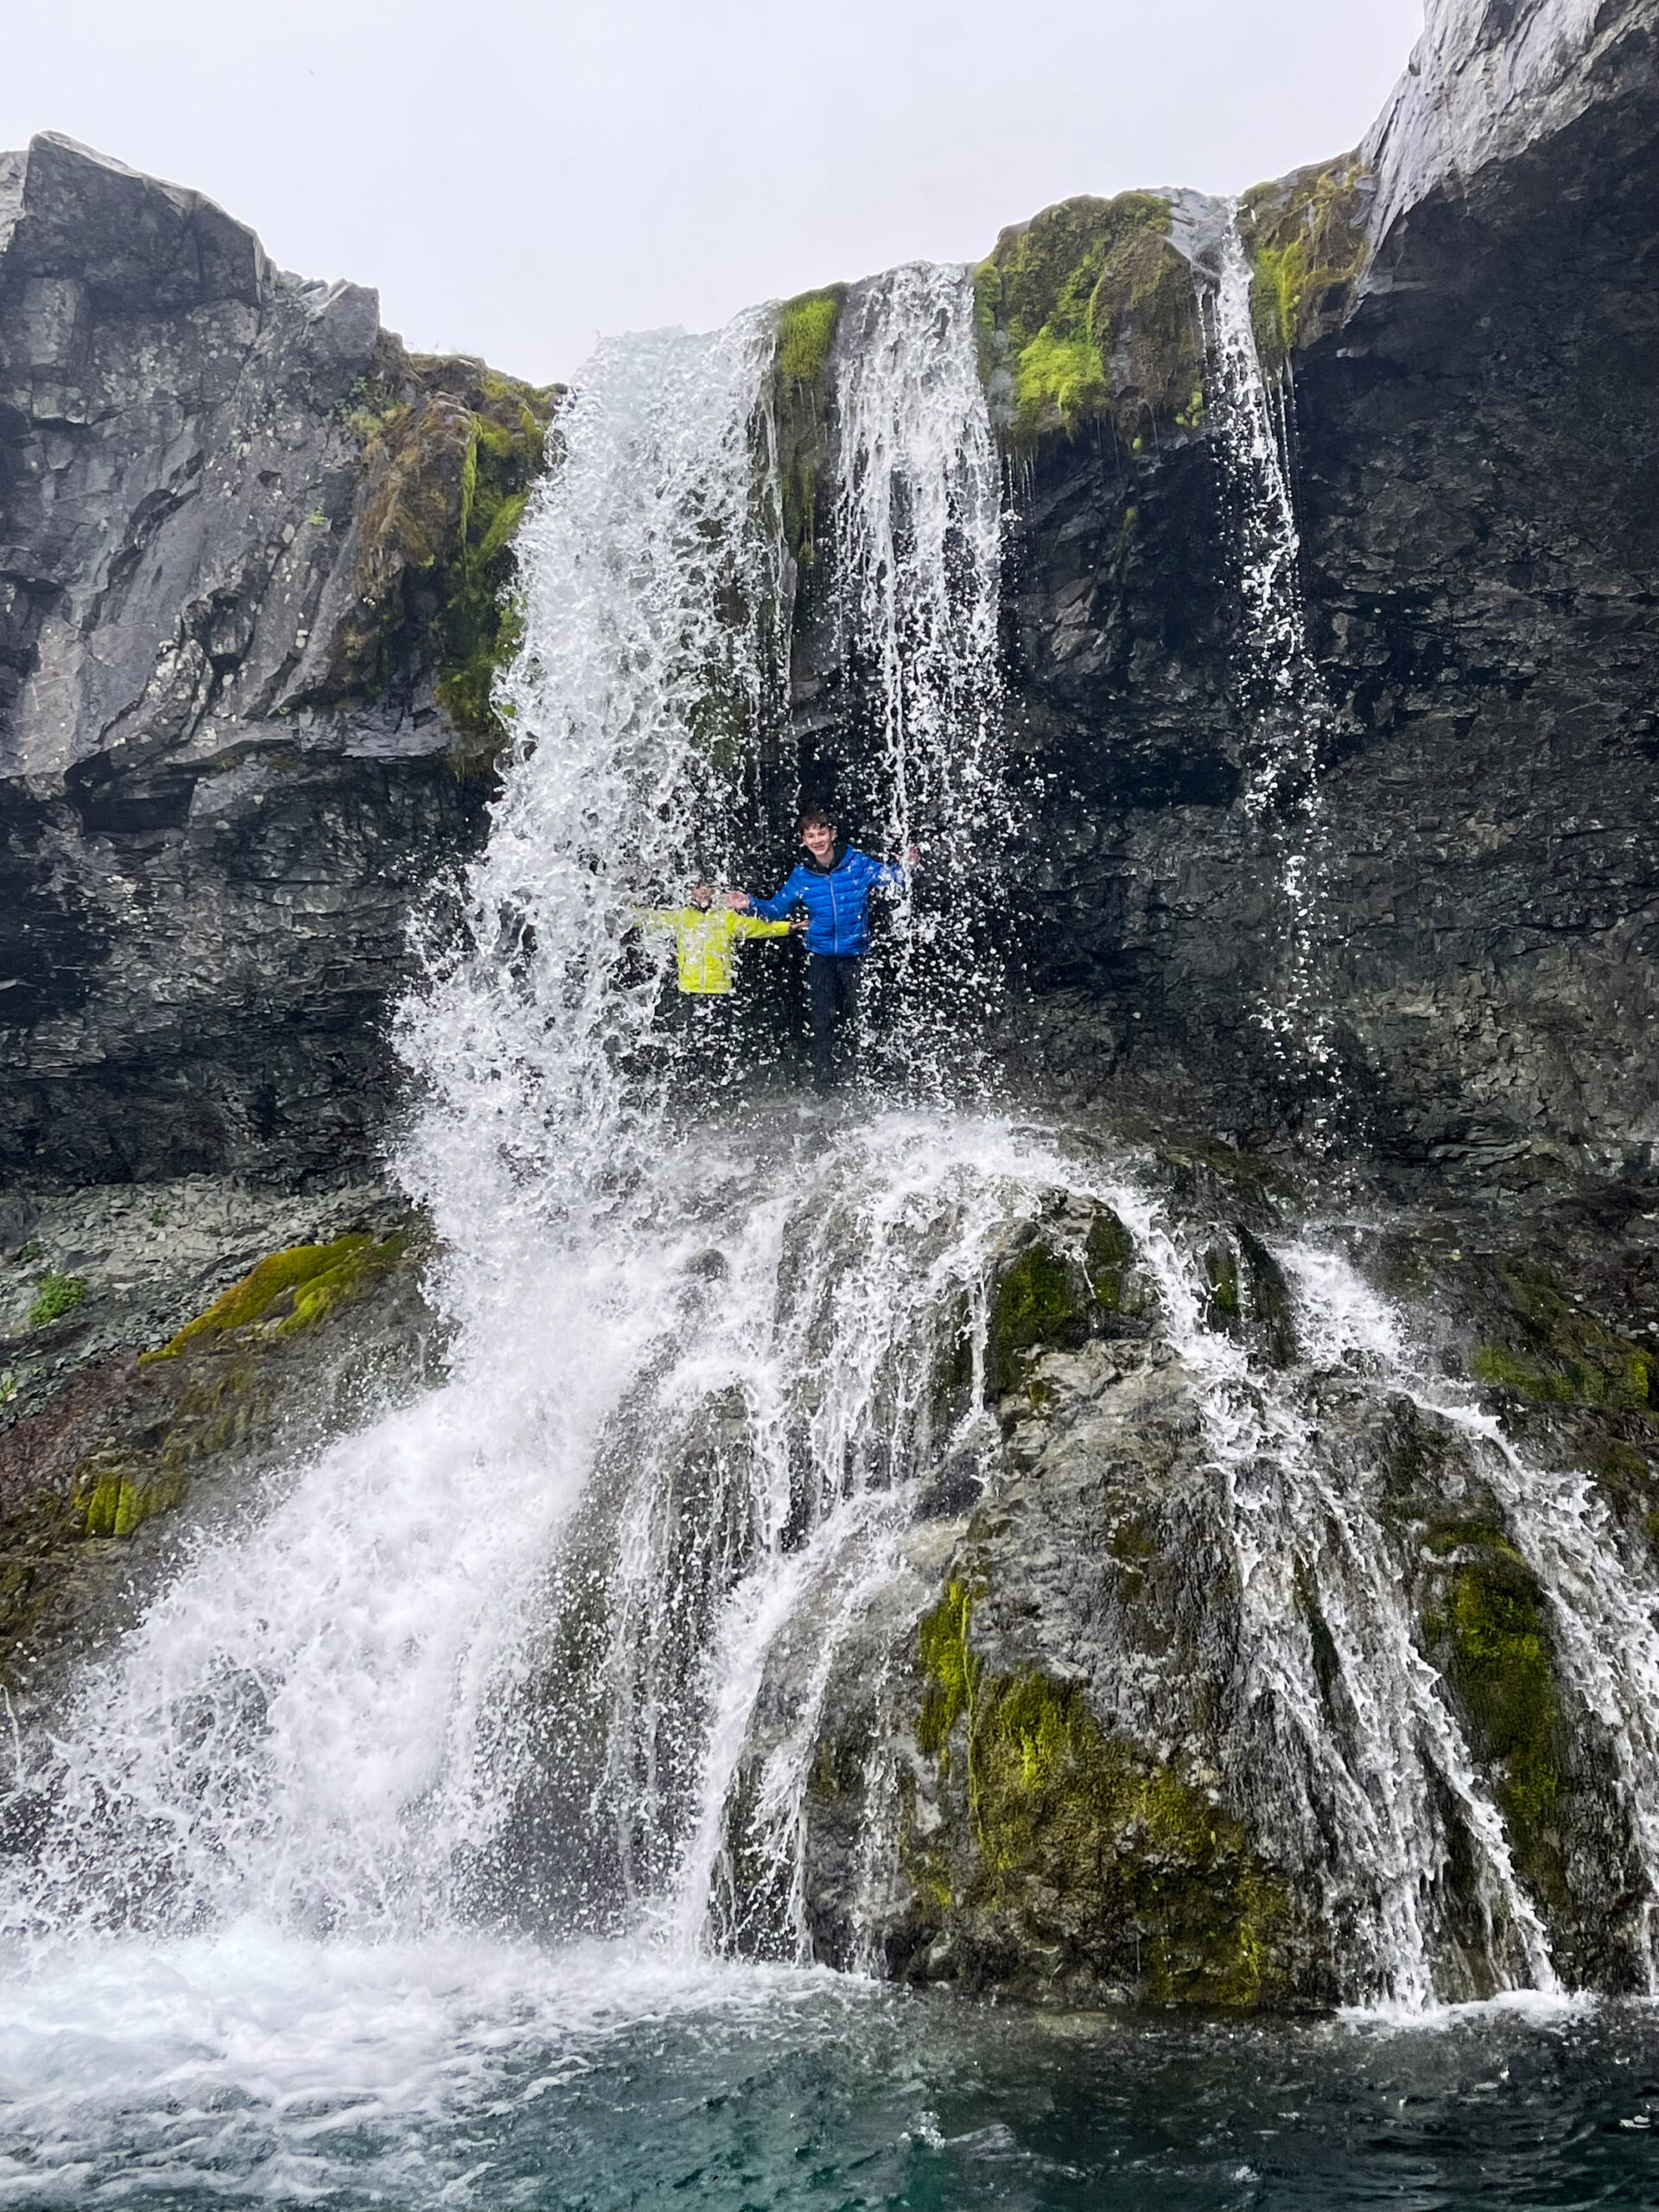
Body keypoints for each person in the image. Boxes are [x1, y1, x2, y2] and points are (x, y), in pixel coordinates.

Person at [726, 809, 918, 1093]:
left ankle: (879, 1078)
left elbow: (889, 880)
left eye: (821, 833)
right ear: (804, 840)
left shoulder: (856, 864)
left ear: (832, 834)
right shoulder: (802, 875)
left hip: (857, 955)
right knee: (822, 1019)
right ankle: (825, 1083)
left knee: (868, 1014)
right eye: (810, 835)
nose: (817, 840)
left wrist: (907, 867)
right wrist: (749, 904)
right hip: (822, 956)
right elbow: (777, 909)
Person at [634, 882, 796, 997]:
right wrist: (624, 914)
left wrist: (787, 927)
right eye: (698, 887)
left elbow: (757, 927)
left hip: (719, 990)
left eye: (708, 887)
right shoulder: (682, 917)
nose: (703, 891)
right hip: (688, 989)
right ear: (691, 892)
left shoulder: (725, 917)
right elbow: (652, 918)